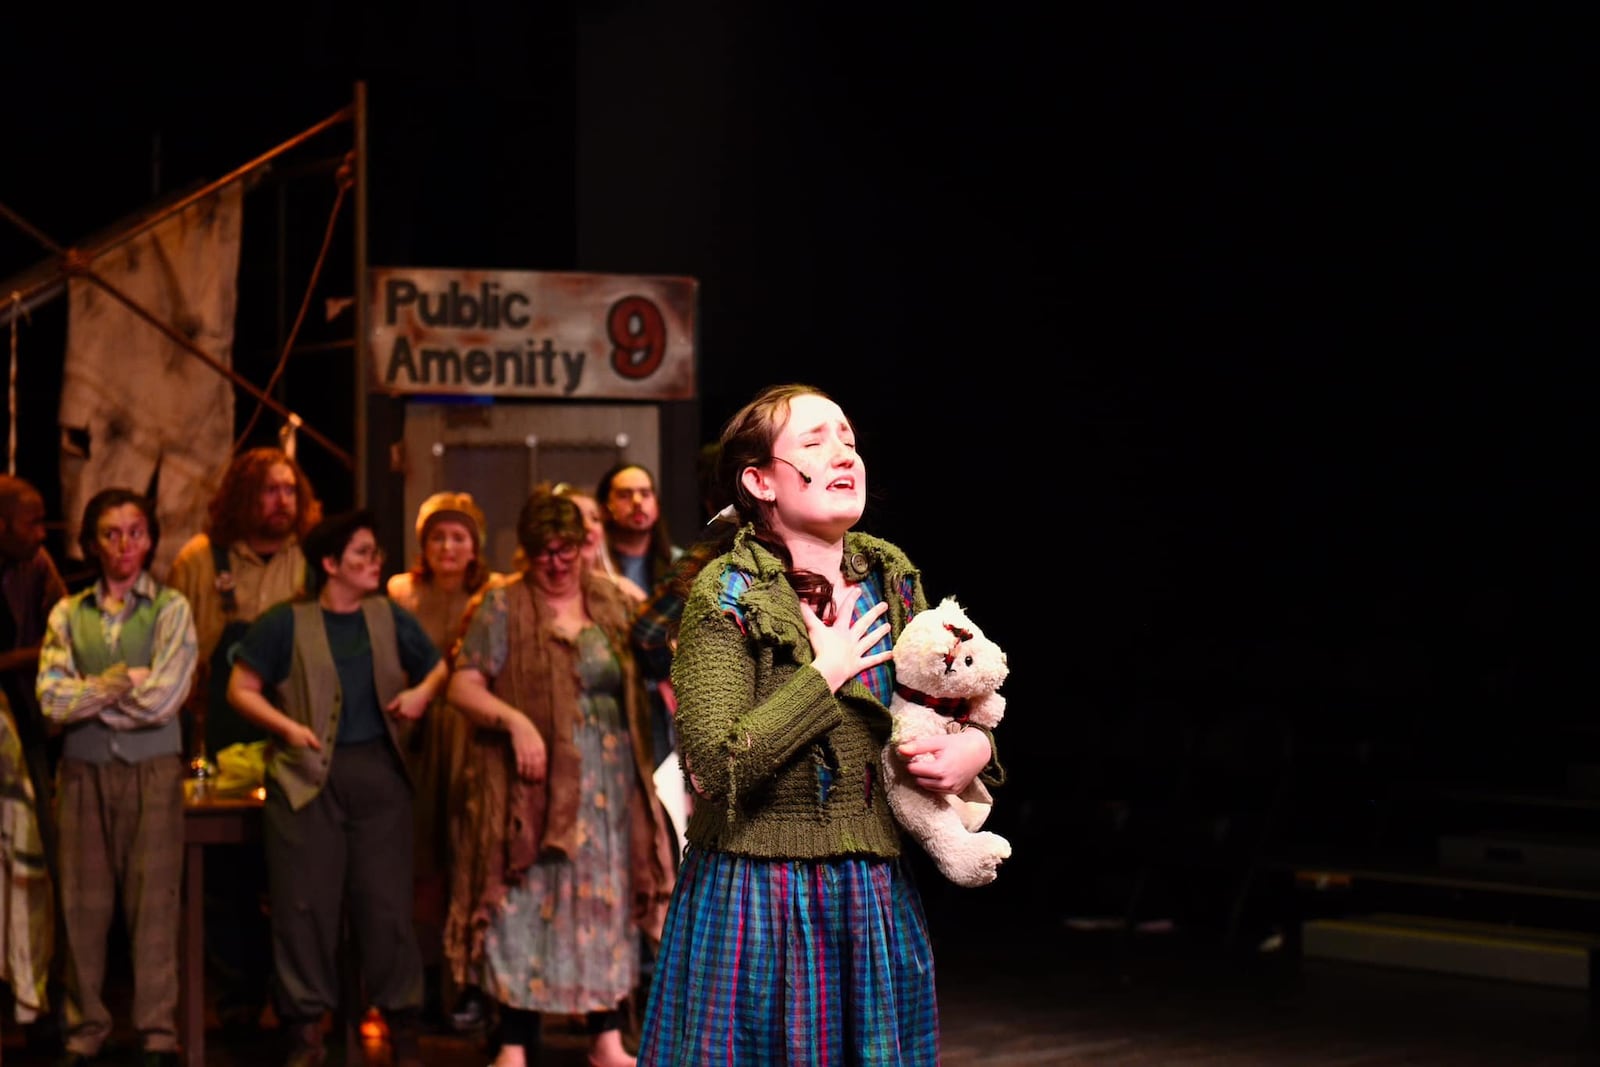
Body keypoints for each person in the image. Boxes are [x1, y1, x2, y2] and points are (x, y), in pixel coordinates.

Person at [635, 384, 1003, 1065]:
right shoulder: (729, 590)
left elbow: (957, 692)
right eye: (814, 441)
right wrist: (823, 675)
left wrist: (975, 750)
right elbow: (714, 767)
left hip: (870, 894)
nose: (843, 454)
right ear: (759, 480)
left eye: (849, 440)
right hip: (756, 896)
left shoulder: (889, 573)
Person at [442, 485, 675, 1067]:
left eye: (565, 548)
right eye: (543, 550)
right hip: (533, 785)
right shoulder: (503, 605)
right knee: (525, 901)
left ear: (581, 546)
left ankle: (604, 1037)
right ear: (527, 552)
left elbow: (656, 665)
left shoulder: (611, 601)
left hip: (609, 783)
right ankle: (516, 1042)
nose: (556, 561)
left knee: (605, 905)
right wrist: (516, 722)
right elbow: (462, 684)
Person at [225, 509, 448, 1067]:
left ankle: (403, 1032)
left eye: (375, 553)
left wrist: (421, 694)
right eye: (363, 554)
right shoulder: (286, 622)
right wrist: (287, 727)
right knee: (305, 908)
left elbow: (440, 665)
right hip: (306, 781)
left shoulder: (387, 617)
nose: (375, 563)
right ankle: (305, 1035)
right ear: (330, 564)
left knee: (386, 910)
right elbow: (241, 688)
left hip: (379, 776)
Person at [35, 488, 199, 1067]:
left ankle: (157, 1034)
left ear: (150, 539)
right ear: (91, 542)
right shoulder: (67, 612)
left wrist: (89, 695)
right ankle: (84, 1032)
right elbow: (51, 703)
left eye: (135, 532)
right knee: (81, 906)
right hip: (82, 771)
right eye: (110, 533)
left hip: (151, 769)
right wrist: (117, 682)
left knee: (154, 904)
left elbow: (164, 699)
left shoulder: (171, 609)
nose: (123, 545)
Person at [164, 445, 317, 1032]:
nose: (281, 502)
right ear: (241, 497)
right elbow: (179, 660)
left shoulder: (310, 559)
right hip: (219, 743)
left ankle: (295, 1000)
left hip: (290, 741)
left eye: (289, 491)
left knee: (292, 878)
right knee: (223, 882)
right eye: (268, 491)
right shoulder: (201, 561)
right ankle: (234, 1001)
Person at [385, 491, 502, 1033]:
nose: (447, 547)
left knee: (471, 858)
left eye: (458, 536)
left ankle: (473, 985)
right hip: (417, 735)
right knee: (420, 863)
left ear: (474, 545)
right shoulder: (402, 593)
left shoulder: (494, 593)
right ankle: (424, 984)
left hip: (472, 736)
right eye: (437, 537)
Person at [0, 475, 69, 874]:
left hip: (26, 724)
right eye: (32, 523)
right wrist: (25, 656)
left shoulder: (37, 565)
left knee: (38, 838)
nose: (42, 534)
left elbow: (65, 634)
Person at [594, 463, 680, 598]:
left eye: (645, 494)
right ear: (604, 509)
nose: (637, 501)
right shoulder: (593, 563)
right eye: (624, 495)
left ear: (656, 506)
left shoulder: (679, 563)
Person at [552, 482, 647, 602]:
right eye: (577, 519)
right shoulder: (532, 590)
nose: (588, 526)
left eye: (595, 519)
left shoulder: (626, 593)